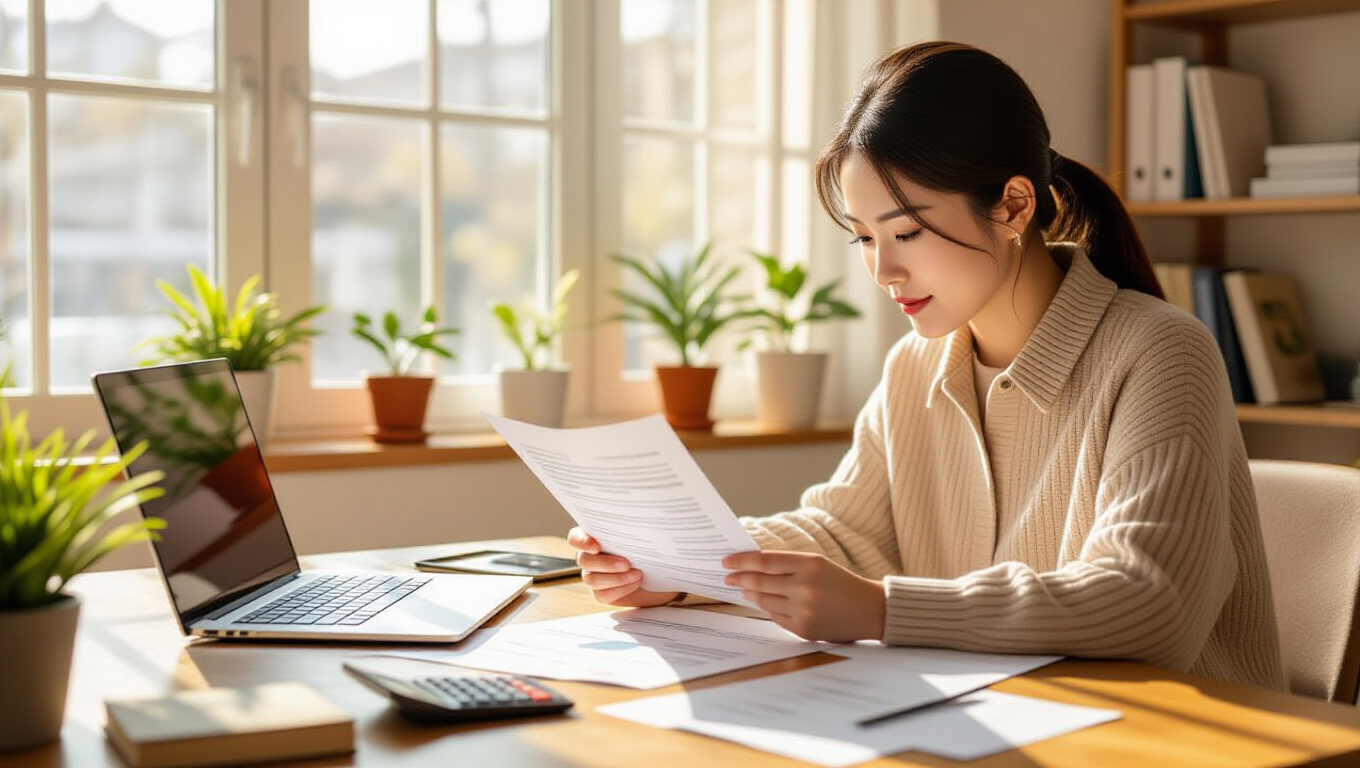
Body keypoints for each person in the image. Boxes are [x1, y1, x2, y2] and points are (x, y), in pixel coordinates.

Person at [569, 41, 1285, 690]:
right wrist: (680, 568)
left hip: (1182, 740)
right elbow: (848, 535)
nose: (883, 270)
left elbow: (1146, 603)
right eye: (863, 239)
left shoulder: (1160, 353)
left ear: (1012, 205)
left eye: (907, 231)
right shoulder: (918, 366)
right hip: (1007, 718)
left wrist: (883, 609)